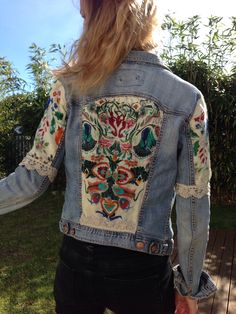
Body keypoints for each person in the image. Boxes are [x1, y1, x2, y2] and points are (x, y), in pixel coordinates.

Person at [0, 0, 217, 313]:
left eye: (86, 17)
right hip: (143, 270)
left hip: (75, 264)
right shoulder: (187, 99)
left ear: (100, 19)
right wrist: (190, 286)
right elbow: (194, 202)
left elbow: (31, 178)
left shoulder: (69, 87)